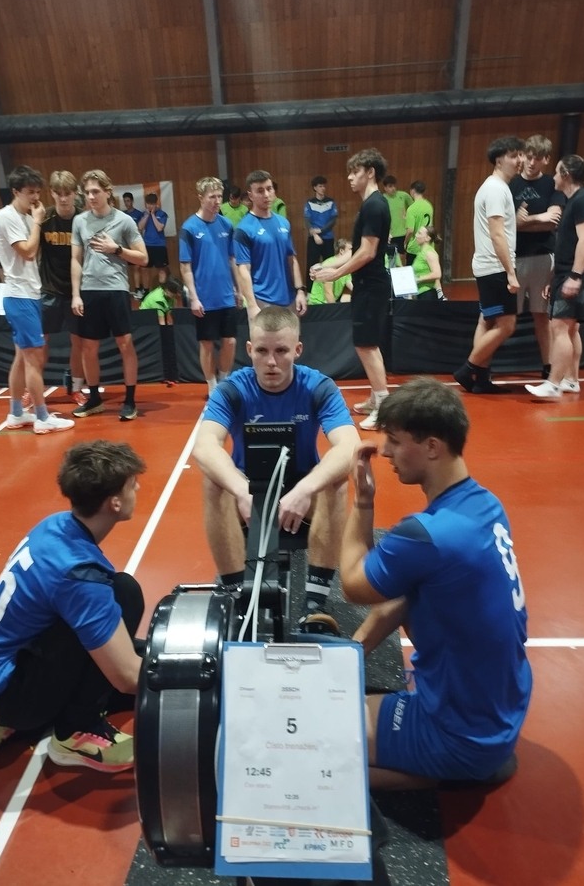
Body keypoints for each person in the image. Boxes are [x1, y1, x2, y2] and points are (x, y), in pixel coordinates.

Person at [340, 377, 532, 789]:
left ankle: (450, 771)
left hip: (459, 733)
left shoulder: (427, 535)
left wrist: (363, 499)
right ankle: (460, 763)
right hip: (500, 713)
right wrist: (352, 654)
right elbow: (408, 595)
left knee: (311, 737)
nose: (385, 451)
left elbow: (352, 585)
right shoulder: (486, 505)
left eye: (394, 440)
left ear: (431, 447)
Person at [0, 440, 146, 772]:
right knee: (125, 594)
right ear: (115, 502)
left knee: (135, 641)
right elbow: (127, 676)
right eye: (133, 484)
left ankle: (12, 720)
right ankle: (74, 733)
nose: (138, 489)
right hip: (19, 698)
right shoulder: (78, 575)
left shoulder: (55, 524)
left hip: (9, 675)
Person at [192, 306, 359, 630]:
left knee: (336, 481)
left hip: (302, 487)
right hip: (248, 487)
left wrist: (305, 489)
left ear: (297, 350)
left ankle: (314, 602)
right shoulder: (232, 390)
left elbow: (349, 446)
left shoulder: (318, 387)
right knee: (214, 482)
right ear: (249, 350)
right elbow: (205, 446)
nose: (271, 361)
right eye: (262, 351)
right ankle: (236, 595)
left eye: (281, 351)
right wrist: (242, 491)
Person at [310, 147, 392, 430]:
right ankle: (376, 398)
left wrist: (335, 274)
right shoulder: (371, 205)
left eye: (355, 172)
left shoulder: (374, 206)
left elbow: (368, 253)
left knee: (367, 345)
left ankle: (383, 407)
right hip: (367, 285)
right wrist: (326, 266)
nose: (349, 177)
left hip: (372, 285)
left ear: (370, 172)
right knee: (366, 343)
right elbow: (357, 250)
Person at [0, 165, 75, 434]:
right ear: (15, 191)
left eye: (38, 192)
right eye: (30, 192)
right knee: (32, 359)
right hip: (19, 296)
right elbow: (28, 252)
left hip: (29, 293)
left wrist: (34, 221)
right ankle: (42, 417)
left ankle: (16, 413)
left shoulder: (26, 217)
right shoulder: (6, 217)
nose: (36, 198)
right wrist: (38, 222)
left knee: (20, 357)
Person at [71, 169, 148, 421]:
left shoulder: (124, 221)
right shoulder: (79, 221)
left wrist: (116, 249)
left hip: (116, 290)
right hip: (89, 291)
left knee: (125, 344)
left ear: (107, 192)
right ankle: (94, 399)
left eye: (96, 191)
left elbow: (143, 258)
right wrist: (76, 294)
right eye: (87, 192)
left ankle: (129, 400)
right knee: (88, 347)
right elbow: (76, 259)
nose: (91, 196)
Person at [526, 155, 584, 400]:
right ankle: (571, 380)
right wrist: (554, 276)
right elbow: (568, 244)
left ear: (567, 175)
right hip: (567, 272)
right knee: (570, 328)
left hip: (577, 274)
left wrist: (575, 276)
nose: (554, 177)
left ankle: (553, 383)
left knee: (559, 326)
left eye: (557, 172)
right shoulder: (575, 201)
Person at [453, 137, 524, 394]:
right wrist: (510, 272)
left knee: (488, 321)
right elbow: (497, 234)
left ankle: (481, 379)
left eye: (520, 155)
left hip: (488, 267)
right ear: (499, 159)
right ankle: (468, 369)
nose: (520, 160)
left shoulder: (496, 187)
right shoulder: (495, 189)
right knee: (507, 325)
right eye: (514, 155)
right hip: (495, 268)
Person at [510, 135, 565, 379]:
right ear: (523, 156)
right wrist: (537, 218)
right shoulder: (511, 184)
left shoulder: (551, 185)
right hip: (514, 257)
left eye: (537, 158)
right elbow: (507, 225)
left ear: (546, 160)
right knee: (505, 316)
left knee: (541, 315)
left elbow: (552, 221)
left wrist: (524, 221)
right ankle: (484, 367)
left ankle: (548, 367)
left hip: (543, 257)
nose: (532, 163)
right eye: (529, 157)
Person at [180, 177, 240, 395]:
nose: (217, 201)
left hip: (226, 295)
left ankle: (223, 381)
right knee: (206, 344)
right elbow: (185, 266)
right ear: (200, 197)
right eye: (212, 197)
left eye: (219, 196)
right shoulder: (189, 227)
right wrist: (194, 297)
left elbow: (232, 259)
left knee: (230, 341)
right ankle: (212, 387)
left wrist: (238, 289)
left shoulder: (227, 225)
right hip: (204, 298)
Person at [234, 170, 307, 325]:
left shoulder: (283, 223)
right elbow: (243, 269)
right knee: (265, 341)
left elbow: (292, 259)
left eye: (269, 189)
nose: (266, 195)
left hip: (289, 298)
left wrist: (300, 290)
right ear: (251, 195)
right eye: (260, 191)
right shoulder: (244, 229)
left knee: (292, 340)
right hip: (263, 300)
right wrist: (252, 305)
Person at [39, 170, 85, 405]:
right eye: (59, 193)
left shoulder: (84, 219)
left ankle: (76, 388)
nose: (63, 198)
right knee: (41, 341)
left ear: (75, 193)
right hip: (49, 289)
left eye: (67, 193)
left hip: (77, 291)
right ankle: (33, 389)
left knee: (78, 341)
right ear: (52, 193)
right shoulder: (43, 219)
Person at [304, 175, 338, 284]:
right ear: (315, 188)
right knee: (312, 264)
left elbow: (333, 220)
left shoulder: (331, 202)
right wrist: (315, 235)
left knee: (330, 264)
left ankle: (331, 288)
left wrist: (321, 231)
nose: (323, 188)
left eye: (324, 186)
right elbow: (307, 221)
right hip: (313, 238)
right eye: (320, 186)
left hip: (328, 238)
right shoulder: (309, 203)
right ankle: (309, 290)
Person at [137, 191, 169, 299]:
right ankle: (146, 292)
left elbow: (160, 228)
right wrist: (147, 215)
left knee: (161, 269)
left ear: (156, 204)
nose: (150, 206)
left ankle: (161, 292)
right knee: (145, 269)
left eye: (152, 204)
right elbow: (140, 227)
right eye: (148, 204)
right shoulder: (144, 214)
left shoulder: (162, 214)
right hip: (147, 245)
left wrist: (153, 215)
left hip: (159, 245)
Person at [307, 239, 353, 304]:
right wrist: (335, 309)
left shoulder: (346, 267)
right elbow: (328, 293)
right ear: (341, 251)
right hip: (318, 303)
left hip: (330, 303)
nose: (353, 253)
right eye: (350, 249)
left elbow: (350, 284)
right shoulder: (329, 263)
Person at [383, 176, 413, 265]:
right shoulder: (382, 198)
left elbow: (412, 207)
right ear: (385, 188)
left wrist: (407, 215)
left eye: (394, 186)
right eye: (390, 186)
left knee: (402, 258)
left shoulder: (403, 195)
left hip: (403, 233)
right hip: (390, 234)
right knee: (391, 260)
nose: (393, 188)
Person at [403, 181, 434, 264]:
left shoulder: (412, 209)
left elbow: (410, 230)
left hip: (415, 247)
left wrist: (405, 242)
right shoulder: (429, 205)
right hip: (428, 245)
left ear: (412, 191)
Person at [410, 225, 442, 300]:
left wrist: (418, 279)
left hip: (428, 294)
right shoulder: (421, 253)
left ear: (427, 238)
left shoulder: (430, 253)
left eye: (419, 233)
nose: (416, 235)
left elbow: (437, 274)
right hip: (420, 293)